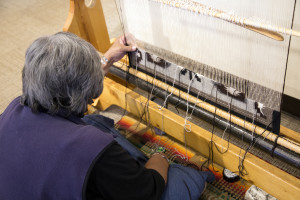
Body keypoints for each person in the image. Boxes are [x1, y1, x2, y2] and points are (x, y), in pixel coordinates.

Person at [0, 32, 214, 200]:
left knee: (93, 122)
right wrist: (161, 159)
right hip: (119, 180)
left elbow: (66, 86)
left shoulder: (13, 110)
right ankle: (198, 176)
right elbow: (148, 192)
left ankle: (132, 169)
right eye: (90, 96)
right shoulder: (87, 145)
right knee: (184, 179)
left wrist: (106, 58)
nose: (91, 100)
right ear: (79, 94)